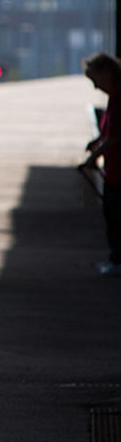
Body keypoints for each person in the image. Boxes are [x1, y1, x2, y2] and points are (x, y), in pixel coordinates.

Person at [80, 52, 121, 277]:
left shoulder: (117, 96)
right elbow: (109, 130)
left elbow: (115, 136)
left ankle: (117, 260)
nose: (96, 87)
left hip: (118, 171)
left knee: (114, 215)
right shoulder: (114, 95)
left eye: (95, 80)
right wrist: (96, 143)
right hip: (114, 169)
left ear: (106, 73)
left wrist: (94, 156)